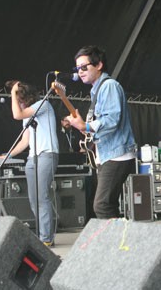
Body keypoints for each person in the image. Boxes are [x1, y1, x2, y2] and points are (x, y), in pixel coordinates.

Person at [66, 45, 136, 218]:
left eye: (84, 67)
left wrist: (86, 126)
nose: (79, 72)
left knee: (102, 205)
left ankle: (120, 242)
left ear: (98, 65)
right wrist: (84, 128)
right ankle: (121, 242)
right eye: (77, 68)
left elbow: (112, 119)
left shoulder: (109, 86)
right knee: (107, 204)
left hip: (117, 154)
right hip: (108, 154)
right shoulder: (97, 89)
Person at [1, 81, 59, 247]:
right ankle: (43, 235)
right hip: (33, 158)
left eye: (19, 99)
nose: (17, 103)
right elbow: (25, 141)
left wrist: (12, 93)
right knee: (34, 199)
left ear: (26, 97)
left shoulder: (43, 104)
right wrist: (7, 155)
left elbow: (16, 115)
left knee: (42, 196)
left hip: (47, 154)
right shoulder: (28, 115)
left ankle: (46, 238)